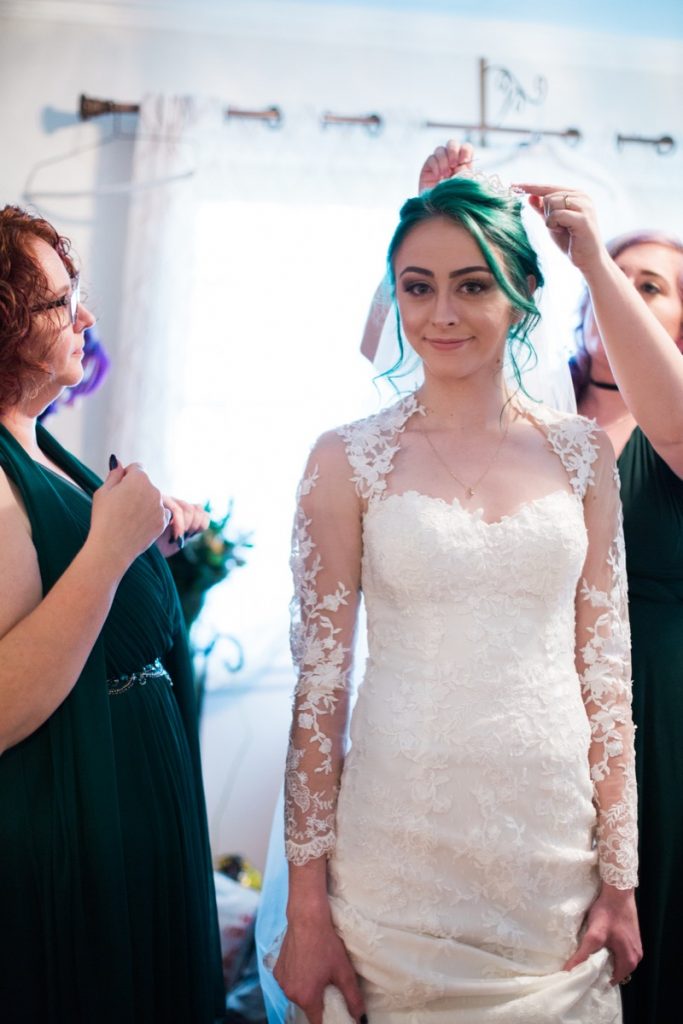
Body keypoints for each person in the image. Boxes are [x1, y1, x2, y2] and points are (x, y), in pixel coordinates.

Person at [272, 170, 642, 1023]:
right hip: (394, 854)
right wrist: (304, 904)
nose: (441, 313)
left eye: (471, 285)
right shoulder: (345, 458)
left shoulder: (584, 456)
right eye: (418, 287)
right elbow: (319, 691)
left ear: (519, 295)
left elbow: (606, 677)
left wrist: (618, 878)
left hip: (547, 859)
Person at [422, 142, 683, 1024]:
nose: (620, 291)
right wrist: (443, 216)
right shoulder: (538, 420)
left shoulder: (674, 428)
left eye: (648, 286)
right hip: (532, 716)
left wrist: (592, 252)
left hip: (655, 710)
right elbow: (406, 360)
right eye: (614, 279)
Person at [0, 205, 224, 1023]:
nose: (84, 318)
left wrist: (141, 546)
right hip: (68, 817)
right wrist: (109, 548)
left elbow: (62, 598)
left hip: (128, 795)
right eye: (59, 303)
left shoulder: (37, 444)